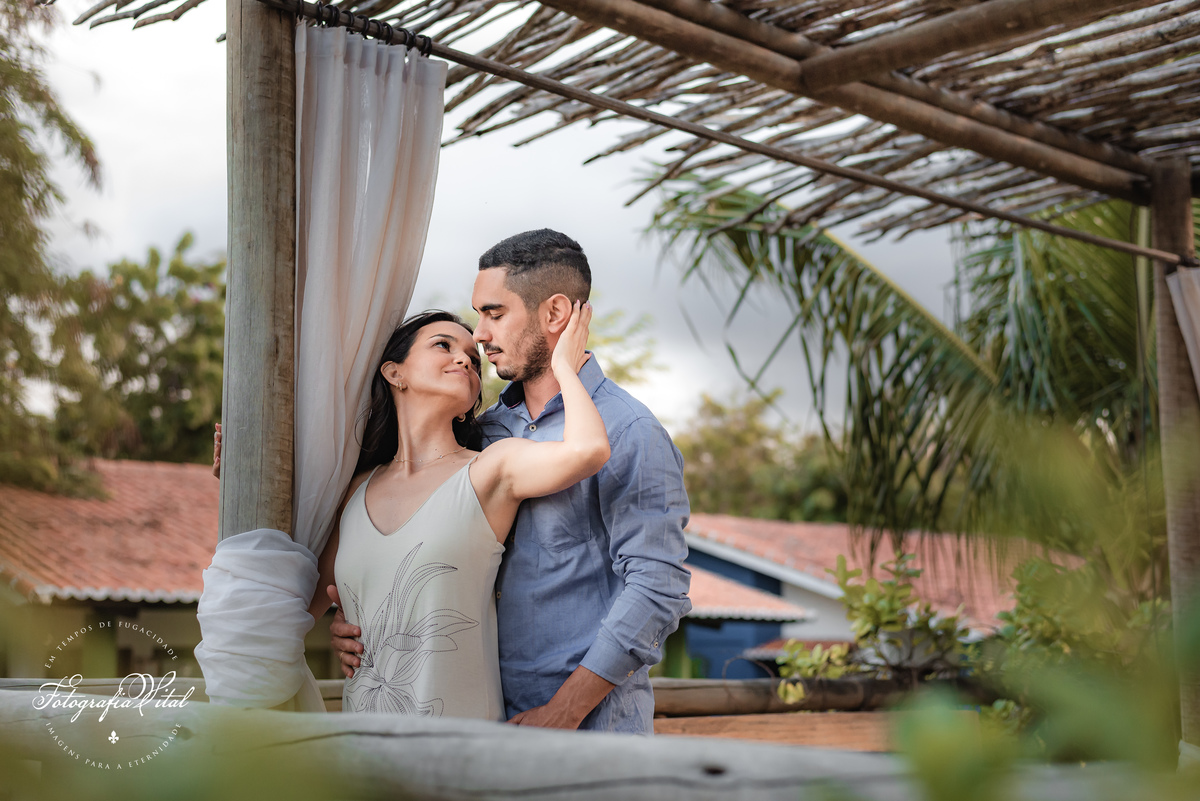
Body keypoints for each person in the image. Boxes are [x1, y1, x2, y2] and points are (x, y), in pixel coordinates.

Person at [331, 229, 693, 733]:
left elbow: (657, 588)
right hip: (482, 721)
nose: (479, 336)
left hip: (589, 730)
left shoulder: (629, 430)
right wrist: (354, 621)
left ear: (555, 313)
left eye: (494, 314)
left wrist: (565, 710)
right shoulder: (484, 434)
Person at [217, 303, 610, 720]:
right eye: (443, 345)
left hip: (460, 743)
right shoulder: (354, 490)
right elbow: (289, 610)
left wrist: (564, 367)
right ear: (394, 373)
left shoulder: (490, 468)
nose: (465, 359)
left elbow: (589, 450)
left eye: (473, 360)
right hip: (361, 743)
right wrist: (242, 480)